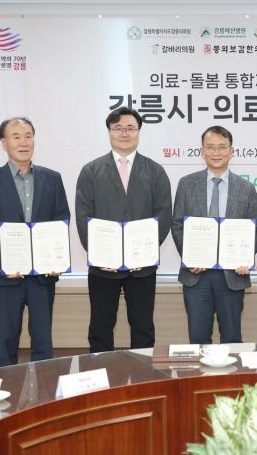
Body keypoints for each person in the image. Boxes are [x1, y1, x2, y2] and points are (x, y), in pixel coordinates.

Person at [76, 107, 172, 353]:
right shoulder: (90, 171)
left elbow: (163, 215)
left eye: (130, 128)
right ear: (109, 132)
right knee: (100, 327)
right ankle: (102, 373)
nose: (124, 133)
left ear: (139, 131)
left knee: (143, 327)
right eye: (118, 128)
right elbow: (83, 216)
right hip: (102, 267)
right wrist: (99, 255)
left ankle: (143, 373)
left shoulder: (155, 171)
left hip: (143, 267)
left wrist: (146, 254)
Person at [0, 117, 70, 366]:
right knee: (7, 340)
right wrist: (7, 261)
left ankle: (44, 388)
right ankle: (8, 388)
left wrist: (56, 259)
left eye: (28, 136)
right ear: (3, 143)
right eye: (16, 136)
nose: (23, 142)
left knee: (43, 340)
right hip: (6, 275)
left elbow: (61, 220)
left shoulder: (52, 178)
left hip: (43, 275)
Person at [171, 126, 257, 344]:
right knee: (198, 339)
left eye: (222, 147)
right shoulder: (186, 184)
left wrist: (245, 258)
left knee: (232, 338)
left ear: (231, 151)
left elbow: (255, 228)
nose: (216, 152)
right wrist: (190, 257)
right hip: (196, 275)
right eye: (210, 147)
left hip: (232, 275)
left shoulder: (247, 188)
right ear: (202, 151)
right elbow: (177, 224)